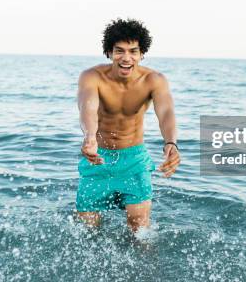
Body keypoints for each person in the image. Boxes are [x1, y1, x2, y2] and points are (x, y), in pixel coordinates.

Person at [76, 18, 180, 232]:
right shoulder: (92, 77)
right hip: (97, 158)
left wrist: (171, 142)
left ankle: (143, 265)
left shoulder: (154, 80)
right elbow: (88, 107)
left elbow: (166, 112)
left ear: (142, 54)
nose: (126, 58)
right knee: (86, 230)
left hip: (133, 161)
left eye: (133, 51)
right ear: (109, 52)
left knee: (139, 229)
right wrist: (90, 137)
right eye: (119, 51)